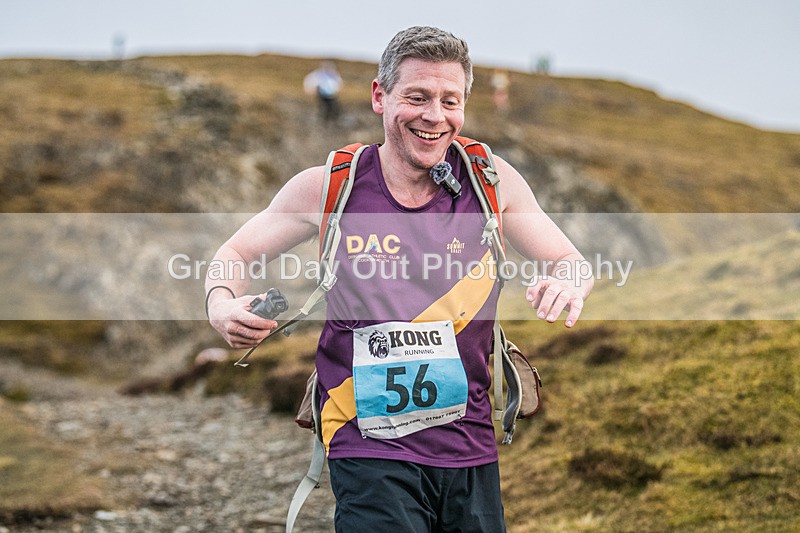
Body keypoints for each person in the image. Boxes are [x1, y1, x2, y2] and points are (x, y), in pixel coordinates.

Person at [206, 26, 592, 532]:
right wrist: (221, 305)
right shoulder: (331, 187)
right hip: (364, 442)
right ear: (380, 97)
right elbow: (234, 253)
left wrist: (569, 282)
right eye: (417, 97)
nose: (434, 116)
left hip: (470, 445)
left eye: (450, 101)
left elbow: (569, 260)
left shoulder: (491, 182)